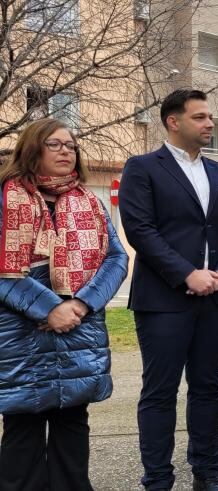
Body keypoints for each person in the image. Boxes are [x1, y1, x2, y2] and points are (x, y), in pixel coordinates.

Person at [119, 89, 218, 491]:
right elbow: (140, 229)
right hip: (164, 300)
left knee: (207, 388)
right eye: (200, 117)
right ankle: (157, 478)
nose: (209, 123)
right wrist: (187, 274)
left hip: (216, 298)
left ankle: (207, 475)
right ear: (173, 121)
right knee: (160, 392)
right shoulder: (142, 168)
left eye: (210, 117)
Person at [0, 119, 129, 491]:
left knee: (73, 425)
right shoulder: (6, 197)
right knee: (22, 429)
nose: (65, 151)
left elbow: (116, 259)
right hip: (20, 333)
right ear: (32, 149)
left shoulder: (90, 202)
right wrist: (48, 308)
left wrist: (82, 305)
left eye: (71, 145)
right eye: (54, 144)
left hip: (79, 328)